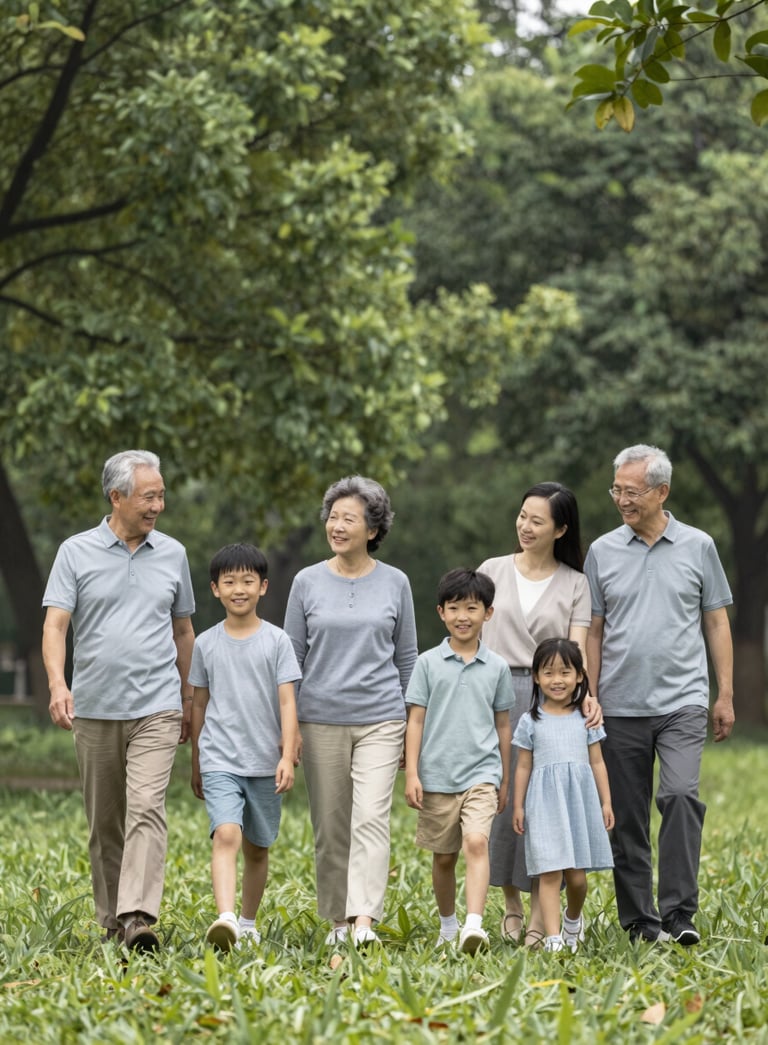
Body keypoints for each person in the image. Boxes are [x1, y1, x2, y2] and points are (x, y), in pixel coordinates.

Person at [42, 450, 195, 952]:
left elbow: (183, 631)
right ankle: (112, 920)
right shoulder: (75, 552)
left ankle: (136, 918)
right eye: (149, 496)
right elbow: (55, 625)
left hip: (157, 704)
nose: (159, 505)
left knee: (147, 808)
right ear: (117, 497)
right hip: (94, 707)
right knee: (105, 820)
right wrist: (58, 685)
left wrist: (190, 698)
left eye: (162, 494)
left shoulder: (172, 553)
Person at [585, 444, 734, 945]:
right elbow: (594, 630)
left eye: (632, 491)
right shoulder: (602, 551)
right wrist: (589, 692)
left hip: (683, 702)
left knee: (679, 795)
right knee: (626, 819)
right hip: (619, 704)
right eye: (617, 490)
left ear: (662, 491)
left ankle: (679, 914)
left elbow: (716, 620)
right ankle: (641, 922)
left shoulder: (699, 546)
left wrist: (725, 693)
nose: (622, 500)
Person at [283, 475, 418, 947]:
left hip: (382, 717)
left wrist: (411, 727)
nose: (337, 526)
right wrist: (289, 730)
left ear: (374, 529)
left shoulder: (396, 583)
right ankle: (338, 920)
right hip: (319, 718)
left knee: (371, 817)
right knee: (331, 823)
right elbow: (291, 661)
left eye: (350, 519)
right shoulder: (306, 582)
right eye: (333, 517)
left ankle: (364, 920)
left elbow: (407, 661)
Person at [479, 482, 599, 947]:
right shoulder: (491, 569)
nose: (525, 527)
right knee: (503, 799)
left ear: (560, 529)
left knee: (541, 803)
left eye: (537, 520)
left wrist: (583, 695)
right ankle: (509, 900)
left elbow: (578, 648)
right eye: (522, 516)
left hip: (548, 697)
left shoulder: (575, 582)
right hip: (492, 693)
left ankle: (536, 912)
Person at [189, 543, 301, 952]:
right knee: (227, 834)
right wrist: (197, 761)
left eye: (248, 581)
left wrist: (287, 755)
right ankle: (226, 918)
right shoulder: (205, 643)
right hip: (220, 757)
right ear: (215, 589)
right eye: (229, 581)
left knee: (258, 847)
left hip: (264, 763)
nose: (239, 589)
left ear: (263, 586)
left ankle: (249, 924)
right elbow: (199, 703)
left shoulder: (277, 641)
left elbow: (288, 701)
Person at [404, 569, 514, 953]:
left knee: (476, 842)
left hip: (481, 773)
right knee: (444, 858)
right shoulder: (428, 663)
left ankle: (474, 925)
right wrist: (412, 772)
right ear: (441, 612)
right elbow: (415, 719)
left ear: (489, 613)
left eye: (472, 607)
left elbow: (503, 725)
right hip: (436, 776)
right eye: (455, 608)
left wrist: (502, 777)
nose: (463, 616)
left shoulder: (498, 667)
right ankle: (448, 925)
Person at [512, 638, 614, 953]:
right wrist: (518, 805)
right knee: (549, 873)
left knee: (578, 878)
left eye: (565, 672)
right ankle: (554, 938)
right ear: (536, 677)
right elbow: (523, 767)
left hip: (578, 803)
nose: (557, 680)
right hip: (543, 805)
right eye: (549, 673)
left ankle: (573, 920)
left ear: (580, 677)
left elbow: (597, 761)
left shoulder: (586, 718)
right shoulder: (531, 720)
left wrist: (606, 801)